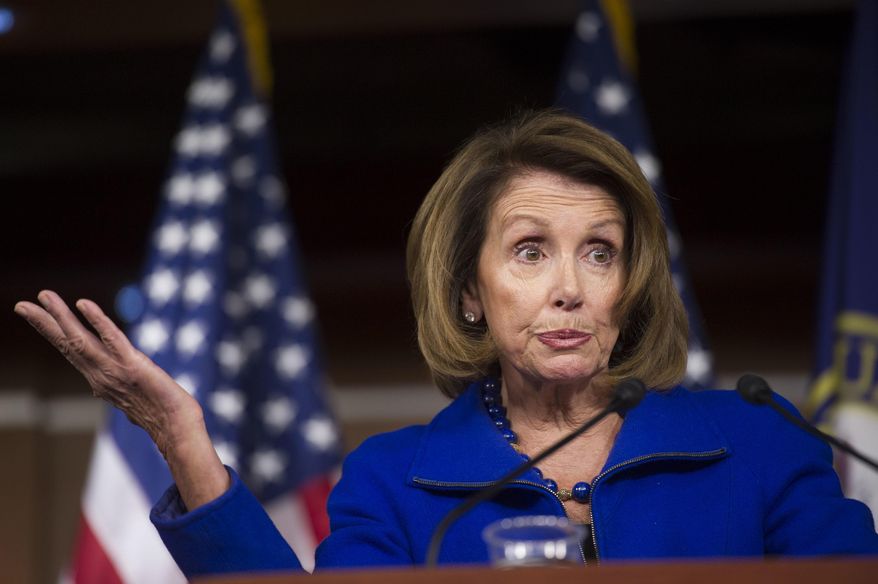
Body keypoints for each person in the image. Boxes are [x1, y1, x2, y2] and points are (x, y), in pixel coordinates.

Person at [15, 110, 878, 577]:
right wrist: (182, 441)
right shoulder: (394, 483)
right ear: (470, 291)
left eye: (600, 252)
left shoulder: (760, 444)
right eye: (530, 251)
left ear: (632, 283)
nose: (571, 287)